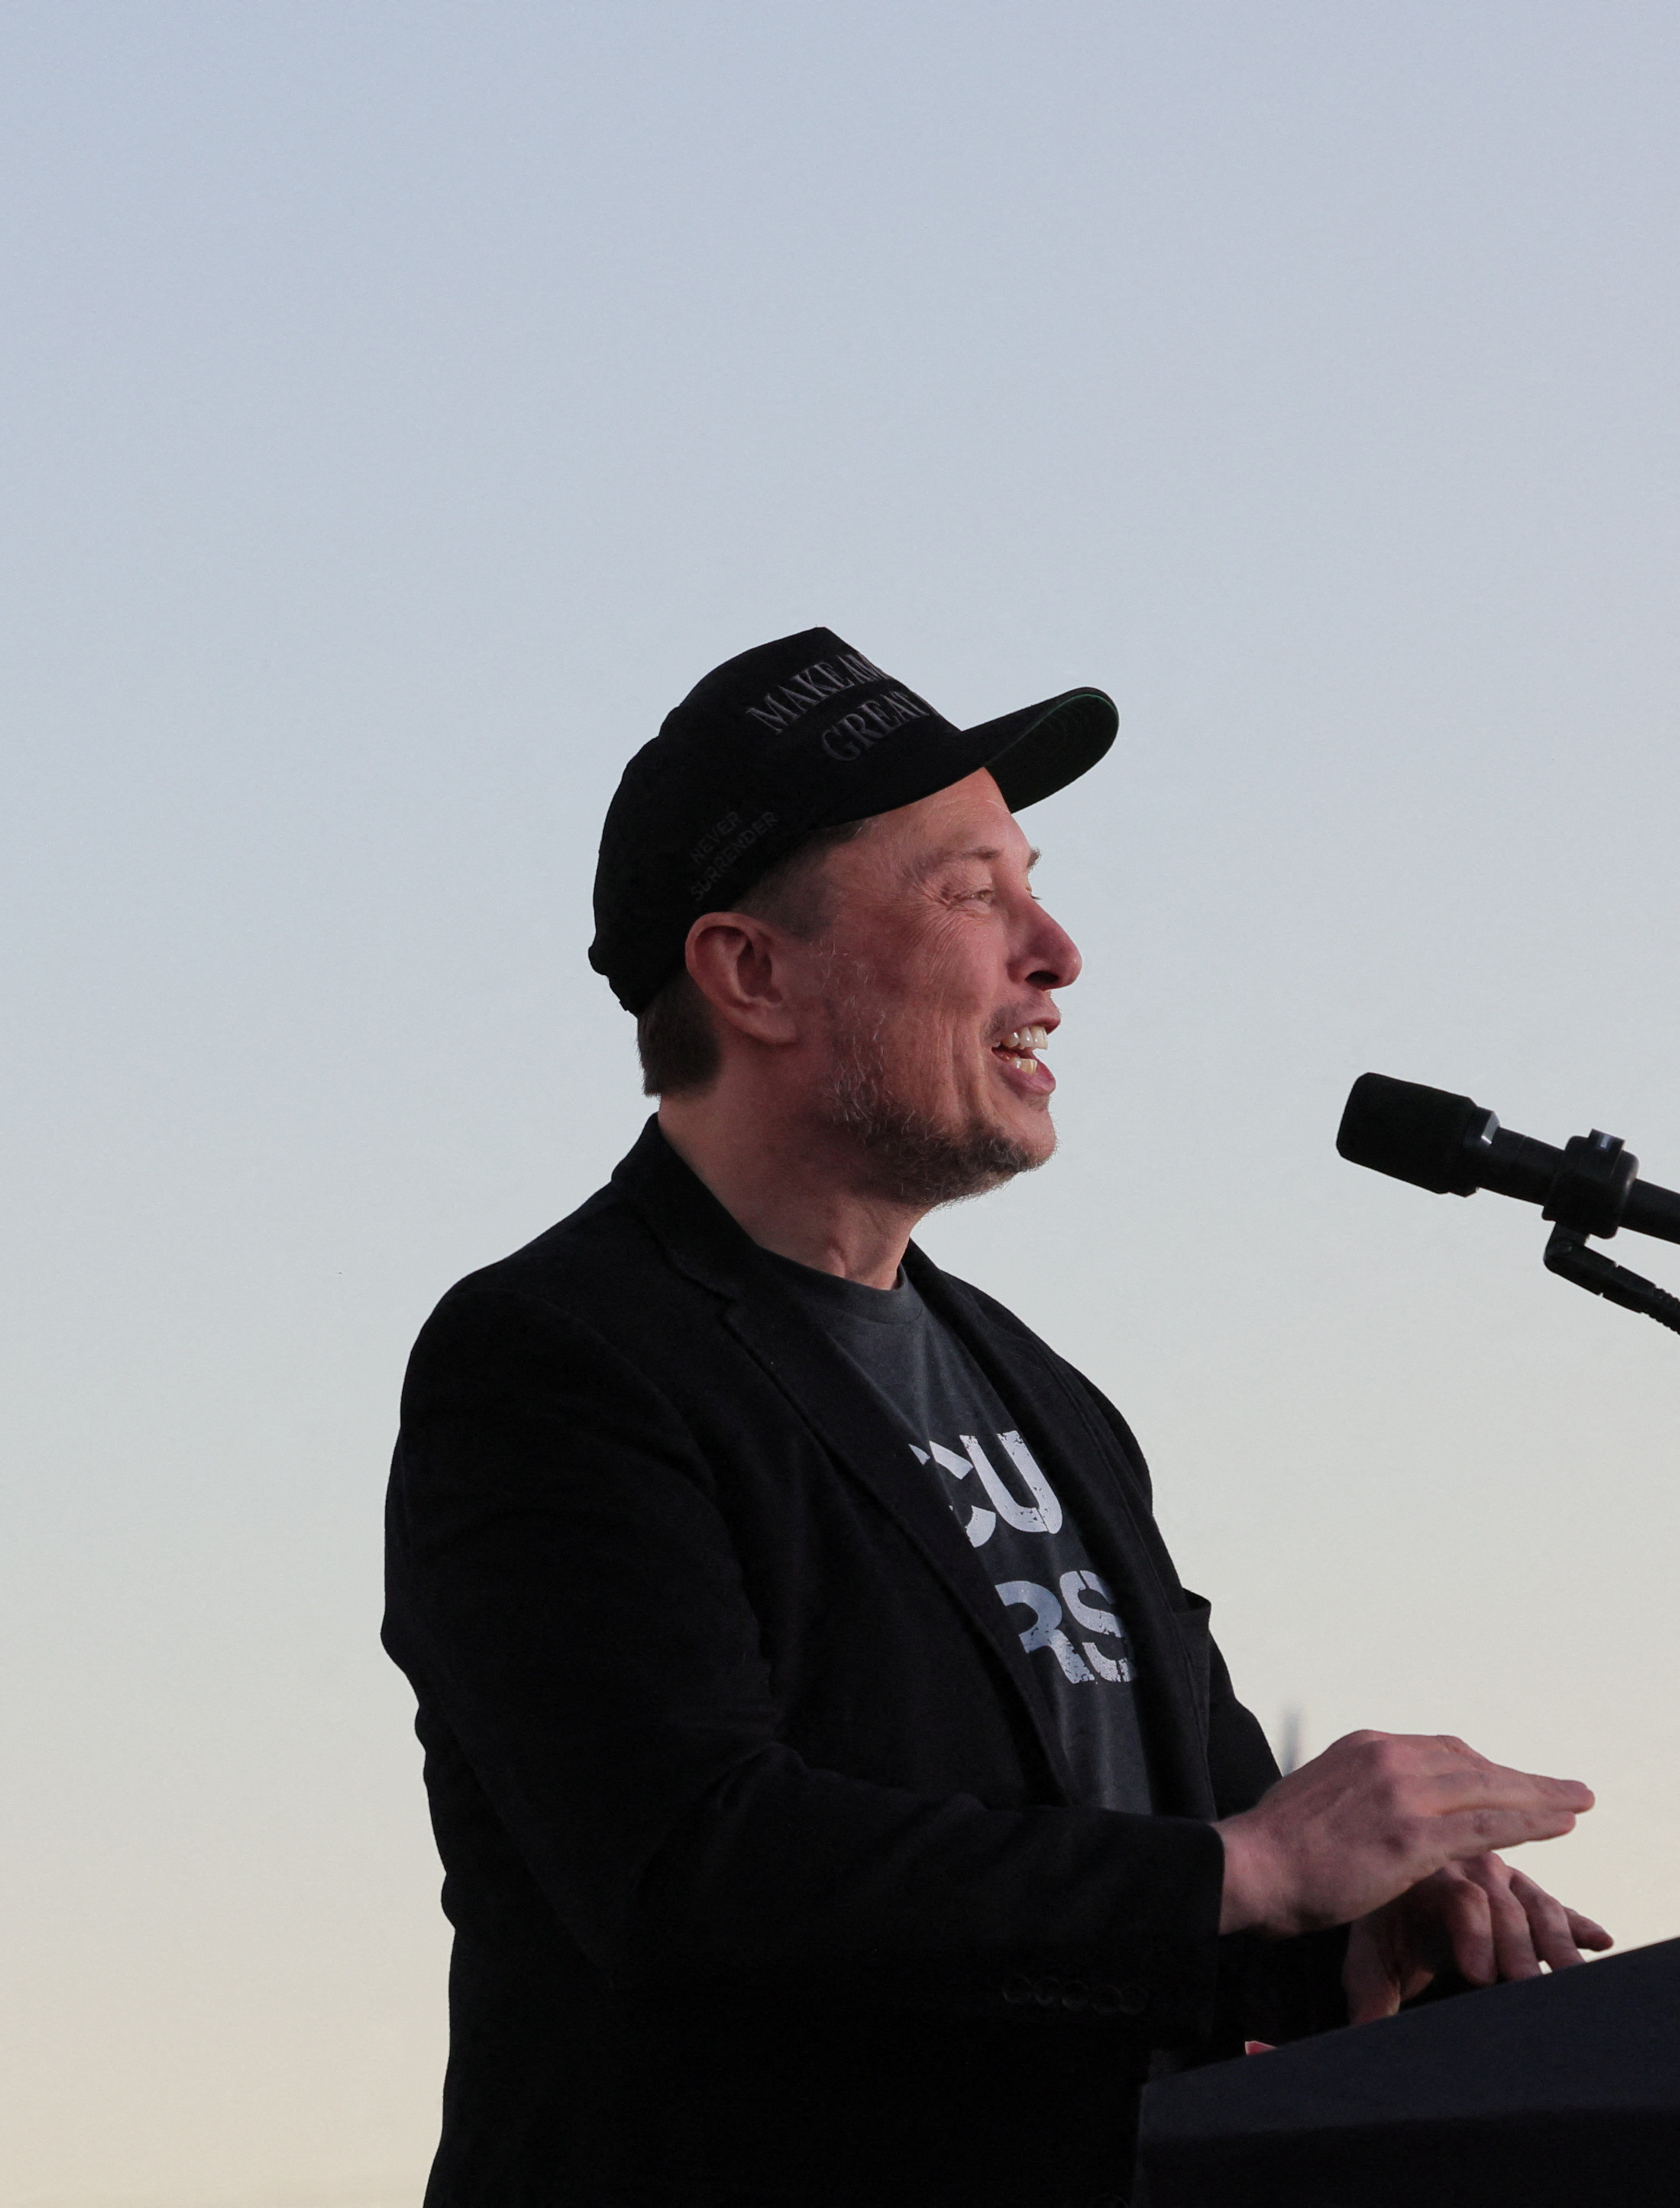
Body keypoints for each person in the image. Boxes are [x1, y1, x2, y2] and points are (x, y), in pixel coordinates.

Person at [380, 630, 1607, 2207]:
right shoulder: (555, 1354)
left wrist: (1344, 1932)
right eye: (972, 893)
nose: (1055, 948)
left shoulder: (1052, 1405)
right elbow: (692, 1866)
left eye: (1029, 878)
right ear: (750, 971)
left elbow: (1159, 1883)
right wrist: (1247, 1870)